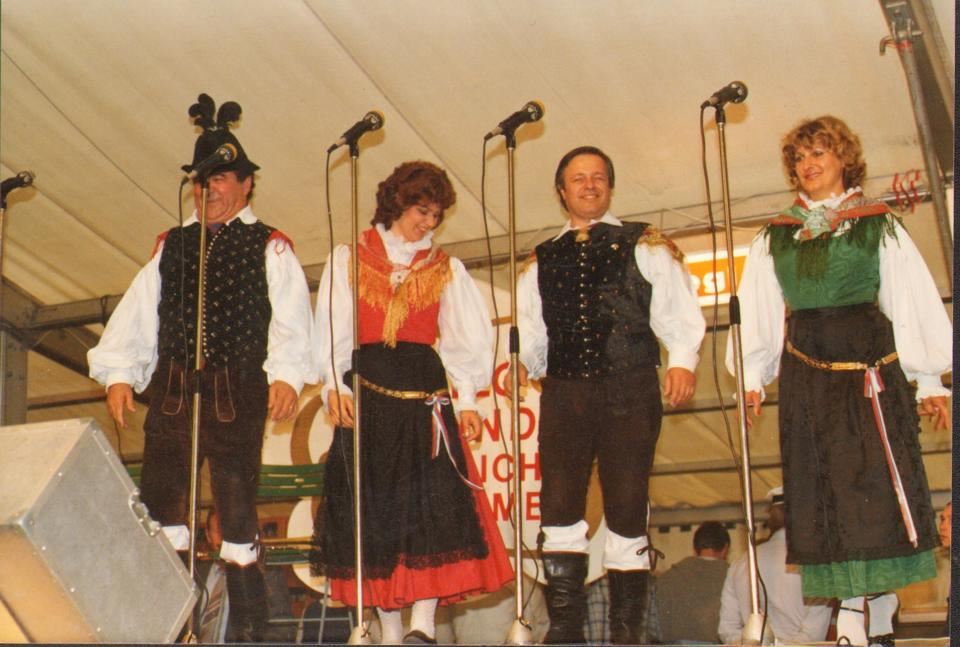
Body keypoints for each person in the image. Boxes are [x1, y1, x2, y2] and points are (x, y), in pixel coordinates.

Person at [88, 93, 315, 642]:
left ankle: (250, 633)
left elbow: (291, 317)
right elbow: (139, 313)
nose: (207, 190)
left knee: (236, 515)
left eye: (219, 179)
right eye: (199, 181)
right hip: (173, 391)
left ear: (246, 184)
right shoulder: (172, 246)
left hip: (237, 392)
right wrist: (119, 374)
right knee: (164, 511)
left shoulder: (270, 247)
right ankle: (175, 630)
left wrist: (286, 374)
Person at [727, 115, 951, 646]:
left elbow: (909, 299)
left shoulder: (877, 224)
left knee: (869, 487)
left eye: (818, 153)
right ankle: (861, 609)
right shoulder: (776, 235)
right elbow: (758, 309)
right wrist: (752, 377)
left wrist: (930, 380)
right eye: (799, 157)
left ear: (843, 158)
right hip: (808, 376)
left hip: (867, 368)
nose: (808, 164)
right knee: (824, 488)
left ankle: (863, 611)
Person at [310, 160, 513, 644]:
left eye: (436, 215)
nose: (430, 223)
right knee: (375, 510)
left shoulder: (445, 267)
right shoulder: (350, 258)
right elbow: (333, 328)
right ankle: (389, 629)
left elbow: (465, 340)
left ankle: (422, 624)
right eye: (423, 212)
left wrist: (467, 401)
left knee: (431, 507)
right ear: (398, 204)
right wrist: (334, 386)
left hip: (425, 393)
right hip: (370, 395)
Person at [515, 146, 706, 644]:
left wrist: (682, 360)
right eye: (579, 178)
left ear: (610, 186)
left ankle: (626, 634)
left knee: (626, 502)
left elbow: (678, 308)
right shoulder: (541, 259)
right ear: (562, 191)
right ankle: (566, 631)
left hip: (629, 385)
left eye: (598, 177)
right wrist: (534, 364)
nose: (589, 185)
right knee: (558, 502)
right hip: (566, 391)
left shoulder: (643, 243)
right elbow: (531, 327)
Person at [718, 487, 833, 644]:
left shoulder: (741, 563)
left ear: (771, 518)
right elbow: (814, 634)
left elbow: (727, 629)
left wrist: (754, 644)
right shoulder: (815, 565)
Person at [653, 521, 730, 644]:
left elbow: (654, 628)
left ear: (695, 548)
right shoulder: (735, 579)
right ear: (725, 548)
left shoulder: (666, 578)